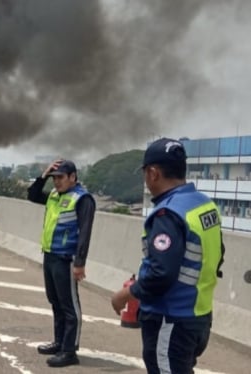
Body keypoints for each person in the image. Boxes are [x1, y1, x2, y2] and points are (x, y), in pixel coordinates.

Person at [111, 138, 224, 374]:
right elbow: (217, 254)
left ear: (153, 173)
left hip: (171, 319)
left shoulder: (168, 213)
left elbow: (161, 273)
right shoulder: (204, 205)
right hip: (199, 315)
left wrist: (125, 294)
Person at [26, 159, 95, 367]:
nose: (56, 182)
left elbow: (85, 232)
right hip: (50, 255)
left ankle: (70, 350)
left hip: (67, 258)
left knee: (69, 306)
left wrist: (80, 263)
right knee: (55, 301)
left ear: (73, 177)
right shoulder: (55, 196)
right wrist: (44, 175)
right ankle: (59, 341)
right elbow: (33, 195)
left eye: (60, 178)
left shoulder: (82, 199)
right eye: (54, 178)